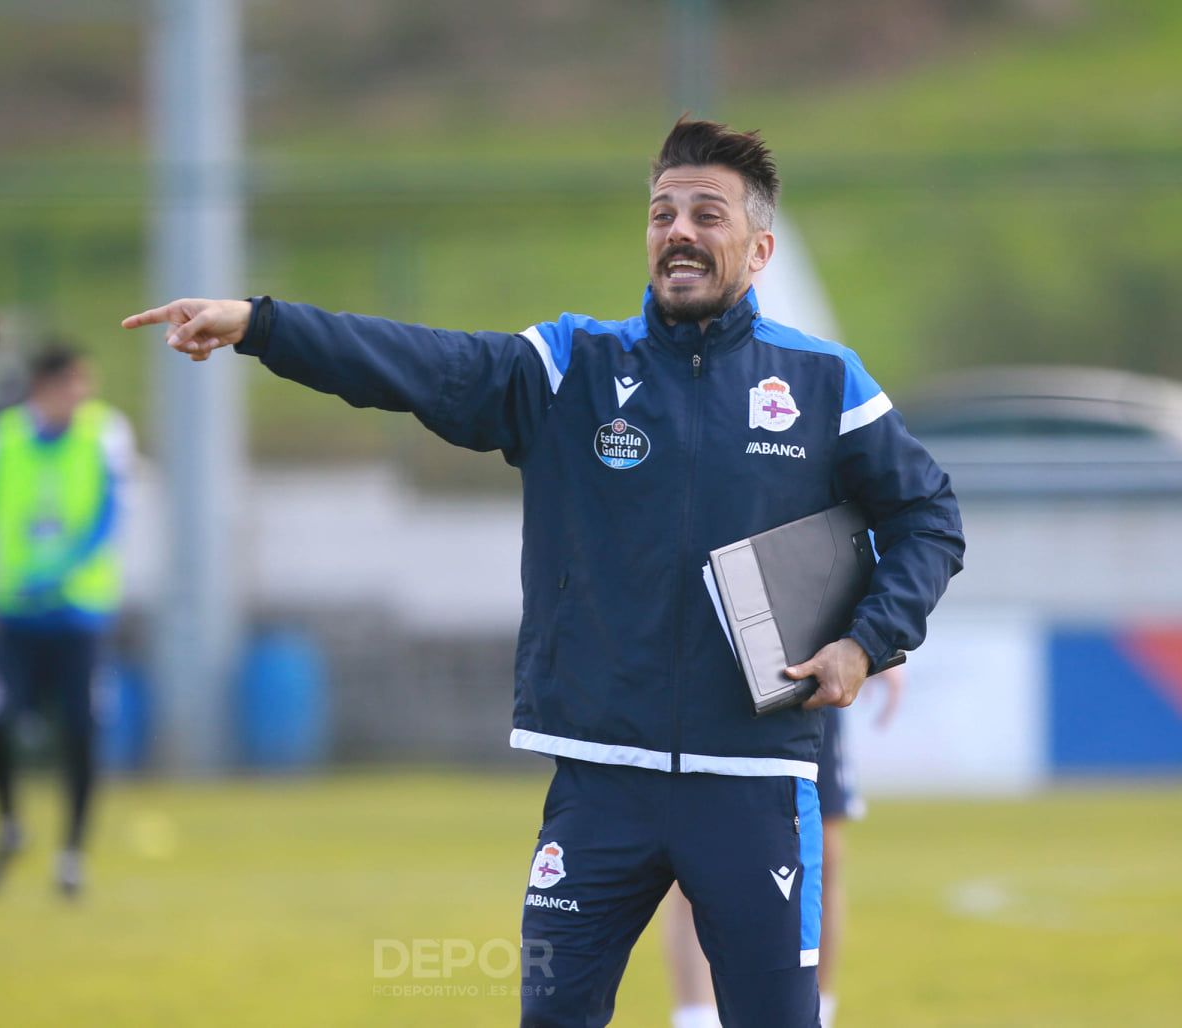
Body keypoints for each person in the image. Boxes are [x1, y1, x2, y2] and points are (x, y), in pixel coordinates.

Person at [123, 117, 964, 1027]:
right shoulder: (574, 366)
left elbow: (927, 517)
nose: (677, 231)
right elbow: (423, 365)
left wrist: (865, 643)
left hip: (755, 786)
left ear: (757, 248)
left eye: (705, 214)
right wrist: (263, 324)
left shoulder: (822, 382)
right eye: (661, 213)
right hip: (600, 789)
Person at [0, 343, 133, 897]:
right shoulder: (5, 436)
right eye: (69, 385)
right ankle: (11, 824)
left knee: (82, 730)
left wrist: (59, 572)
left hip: (79, 617)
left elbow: (108, 518)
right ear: (42, 387)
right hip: (14, 618)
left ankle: (72, 854)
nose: (79, 396)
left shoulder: (103, 434)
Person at [662, 668, 904, 1028]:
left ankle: (818, 1013)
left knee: (823, 855)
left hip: (802, 675)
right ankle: (697, 1018)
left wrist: (873, 643)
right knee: (693, 845)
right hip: (706, 674)